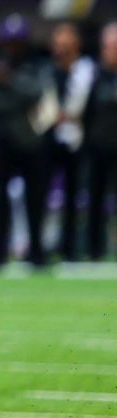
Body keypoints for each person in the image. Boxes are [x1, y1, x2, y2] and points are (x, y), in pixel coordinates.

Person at [0, 16, 52, 268]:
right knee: (0, 197)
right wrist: (18, 100)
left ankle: (36, 252)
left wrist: (9, 82)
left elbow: (38, 93)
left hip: (31, 137)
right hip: (3, 137)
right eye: (9, 42)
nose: (13, 48)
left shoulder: (37, 66)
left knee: (35, 197)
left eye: (17, 42)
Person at [46, 22, 96, 261]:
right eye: (59, 42)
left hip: (78, 138)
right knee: (42, 193)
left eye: (67, 42)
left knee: (75, 196)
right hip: (49, 138)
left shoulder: (86, 70)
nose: (62, 47)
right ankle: (42, 244)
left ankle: (71, 248)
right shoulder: (47, 70)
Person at [85, 23, 117, 261]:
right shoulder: (91, 74)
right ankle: (94, 250)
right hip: (97, 146)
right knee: (95, 200)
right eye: (110, 45)